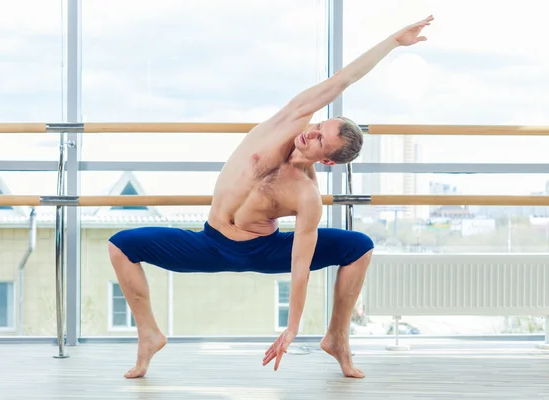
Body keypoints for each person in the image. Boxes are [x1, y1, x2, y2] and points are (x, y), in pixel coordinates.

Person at [108, 15, 434, 379]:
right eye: (317, 127)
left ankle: (337, 338)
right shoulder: (288, 122)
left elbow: (299, 269)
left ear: (326, 160)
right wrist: (393, 41)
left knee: (358, 246)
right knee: (121, 245)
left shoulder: (307, 195)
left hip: (264, 250)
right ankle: (149, 335)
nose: (310, 133)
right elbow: (343, 80)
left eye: (319, 140)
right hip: (210, 241)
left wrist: (292, 328)